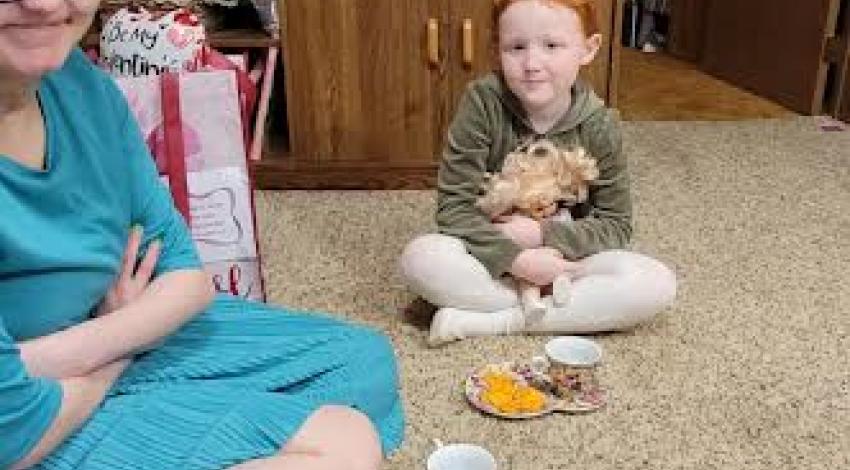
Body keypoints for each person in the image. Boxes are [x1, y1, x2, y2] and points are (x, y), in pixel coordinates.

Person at [0, 1, 403, 469]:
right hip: (28, 426)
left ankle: (167, 410)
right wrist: (118, 348)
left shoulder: (82, 84)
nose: (45, 4)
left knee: (361, 359)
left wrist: (101, 339)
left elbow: (187, 277)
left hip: (92, 338)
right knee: (345, 444)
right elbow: (15, 434)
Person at [400, 0, 677, 346]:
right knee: (420, 258)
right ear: (496, 49)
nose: (532, 64)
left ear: (588, 49)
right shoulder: (482, 102)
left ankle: (494, 322)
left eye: (551, 46)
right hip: (493, 251)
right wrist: (516, 260)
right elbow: (454, 210)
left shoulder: (601, 124)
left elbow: (616, 224)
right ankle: (559, 312)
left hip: (568, 262)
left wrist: (541, 234)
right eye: (516, 47)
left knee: (656, 283)